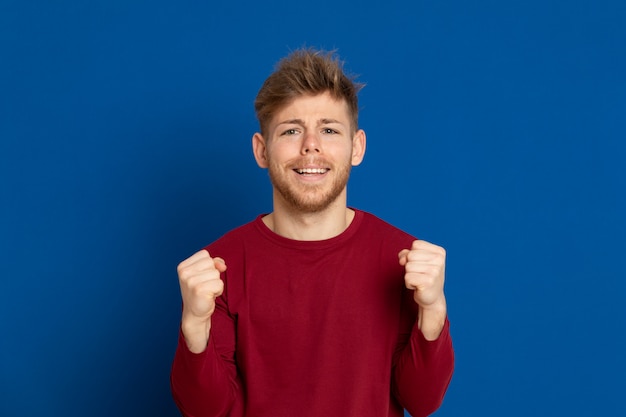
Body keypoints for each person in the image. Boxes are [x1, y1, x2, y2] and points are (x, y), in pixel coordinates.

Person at [170, 48, 454, 417]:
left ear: (357, 147)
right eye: (291, 130)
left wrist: (433, 310)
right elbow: (207, 410)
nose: (311, 146)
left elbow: (422, 402)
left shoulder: (404, 260)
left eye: (329, 130)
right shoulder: (217, 269)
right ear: (261, 151)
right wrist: (193, 324)